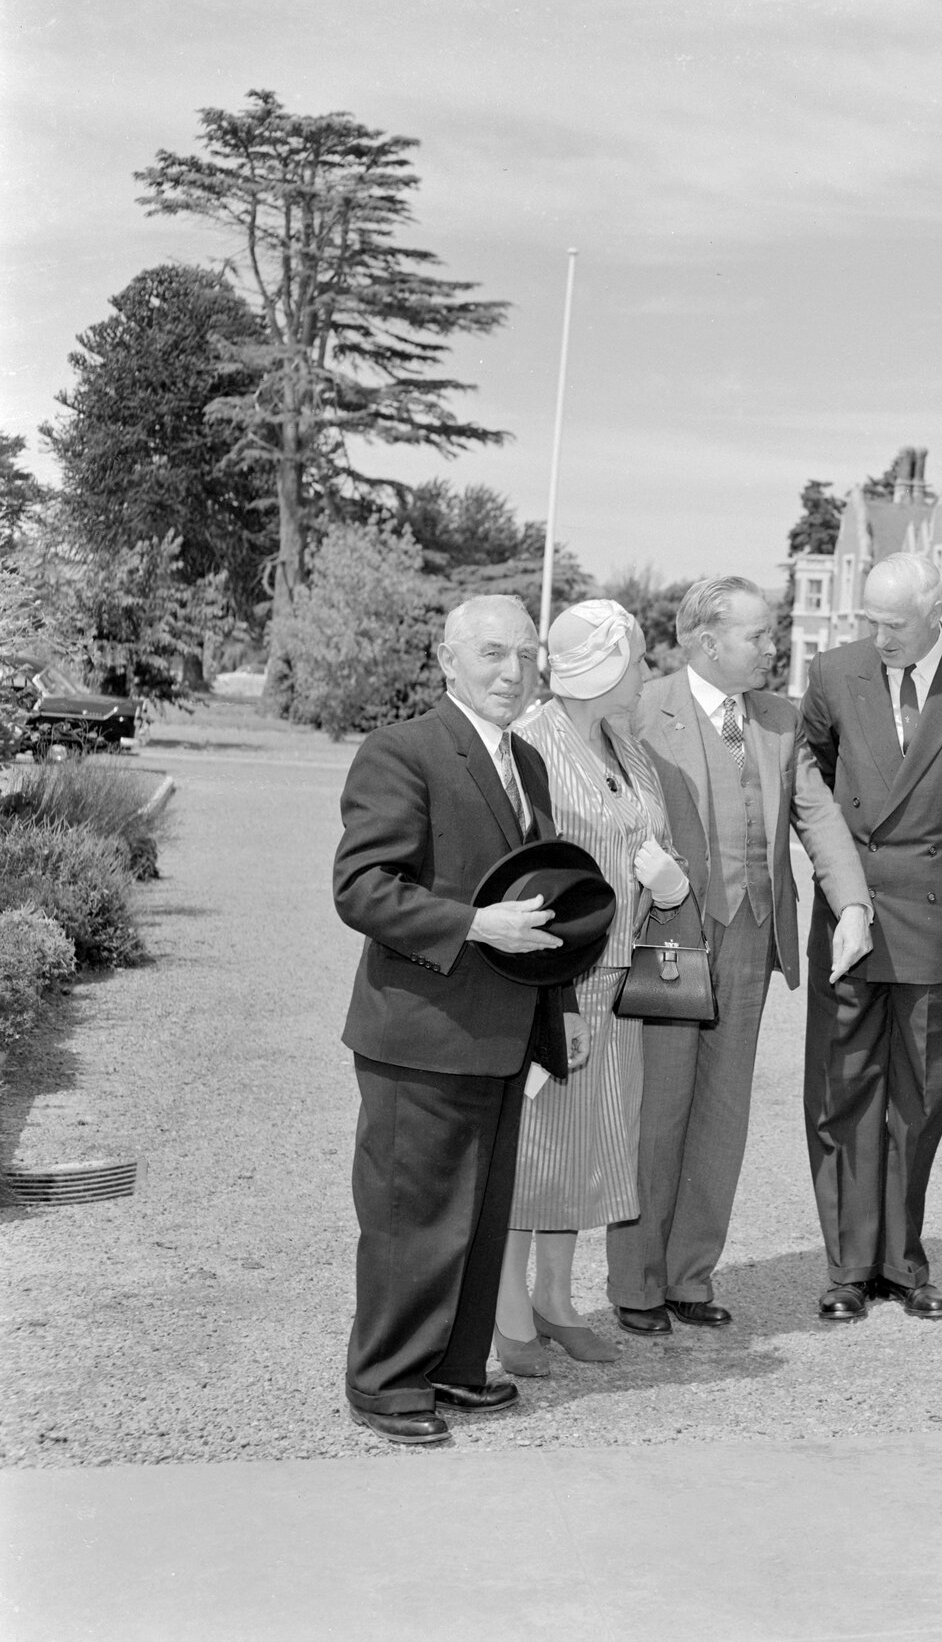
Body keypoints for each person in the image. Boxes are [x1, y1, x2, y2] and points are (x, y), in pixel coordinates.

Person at [332, 594, 571, 1445]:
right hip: (421, 1031)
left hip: (502, 1035)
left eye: (528, 657)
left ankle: (455, 1371)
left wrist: (553, 1016)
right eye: (495, 655)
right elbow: (362, 888)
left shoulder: (528, 764)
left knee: (475, 1214)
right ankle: (387, 1383)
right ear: (448, 659)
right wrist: (472, 923)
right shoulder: (402, 750)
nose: (514, 673)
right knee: (412, 1218)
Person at [608, 576, 874, 1335]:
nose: (773, 647)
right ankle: (634, 1283)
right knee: (659, 1112)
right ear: (703, 639)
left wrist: (851, 901)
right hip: (668, 934)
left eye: (772, 633)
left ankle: (690, 1276)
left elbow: (817, 815)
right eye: (758, 635)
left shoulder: (782, 721)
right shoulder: (640, 712)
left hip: (753, 934)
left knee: (723, 1113)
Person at [799, 553, 942, 1321]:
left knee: (920, 1097)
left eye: (893, 624)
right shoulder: (836, 673)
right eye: (869, 620)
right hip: (852, 916)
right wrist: (850, 888)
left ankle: (902, 1265)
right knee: (841, 1094)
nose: (879, 635)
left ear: (937, 611)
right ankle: (846, 1267)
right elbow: (816, 784)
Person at [489, 602, 686, 1375]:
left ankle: (557, 1301)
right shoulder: (531, 746)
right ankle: (508, 1310)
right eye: (635, 661)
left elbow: (650, 838)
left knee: (589, 1149)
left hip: (619, 986)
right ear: (602, 670)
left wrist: (668, 880)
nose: (644, 675)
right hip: (556, 985)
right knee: (534, 1150)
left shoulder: (626, 746)